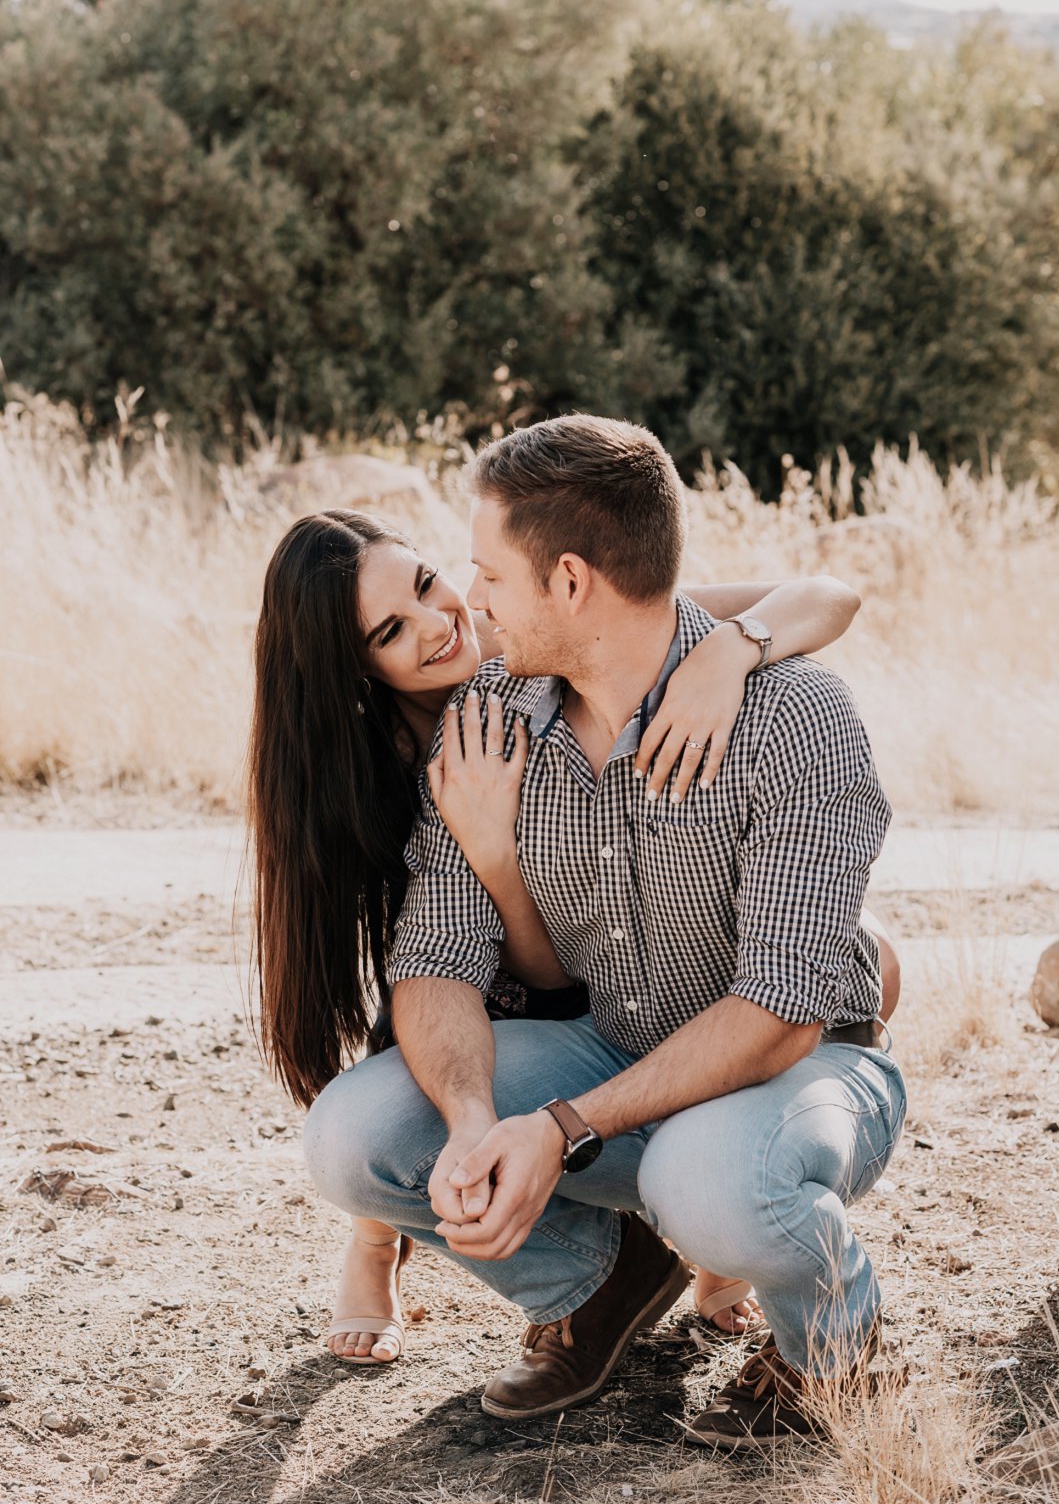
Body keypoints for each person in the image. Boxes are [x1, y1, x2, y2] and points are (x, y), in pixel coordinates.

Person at [303, 414, 907, 1449]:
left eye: (488, 576)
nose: (470, 604)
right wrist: (471, 1120)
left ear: (571, 582)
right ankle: (602, 1277)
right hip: (610, 1047)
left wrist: (561, 1127)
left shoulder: (794, 715)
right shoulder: (489, 716)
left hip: (797, 1072)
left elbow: (779, 1017)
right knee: (355, 1136)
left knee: (707, 1180)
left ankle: (835, 1352)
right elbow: (436, 960)